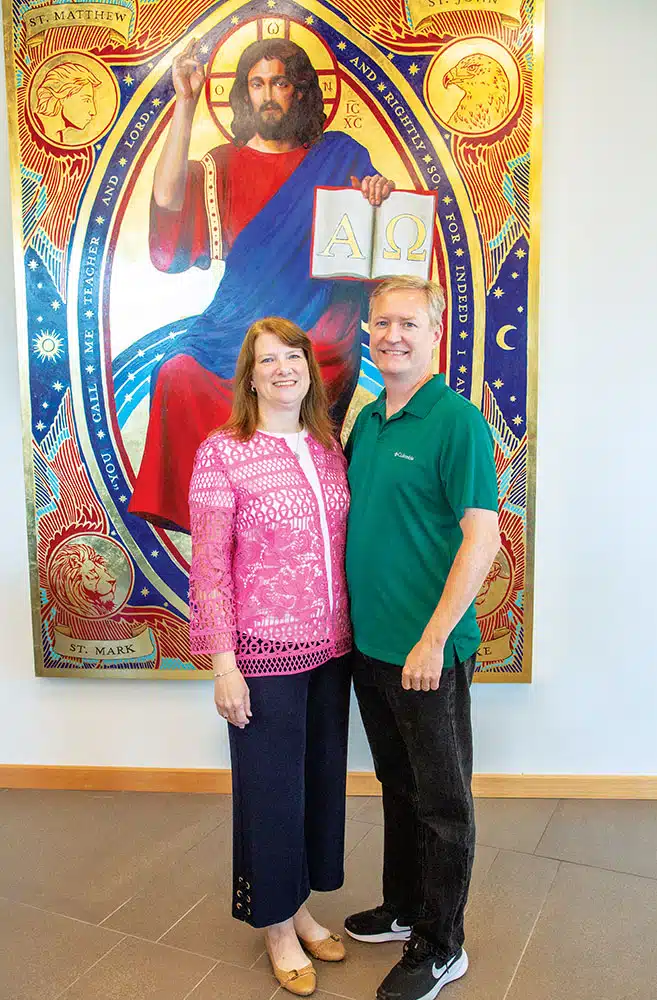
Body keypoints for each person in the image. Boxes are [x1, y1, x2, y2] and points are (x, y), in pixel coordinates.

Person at [129, 36, 394, 532]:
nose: (268, 93)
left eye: (280, 82)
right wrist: (185, 103)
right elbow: (167, 203)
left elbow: (376, 243)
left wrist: (374, 191)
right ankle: (217, 519)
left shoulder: (339, 155)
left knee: (295, 368)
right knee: (177, 372)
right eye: (257, 83)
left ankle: (289, 510)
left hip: (317, 323)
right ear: (245, 93)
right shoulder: (224, 164)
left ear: (300, 91)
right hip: (234, 323)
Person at [343, 275, 501, 1000]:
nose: (391, 336)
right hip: (371, 648)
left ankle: (441, 946)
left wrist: (435, 638)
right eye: (381, 324)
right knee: (397, 787)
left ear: (435, 333)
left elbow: (481, 537)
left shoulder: (456, 422)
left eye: (407, 323)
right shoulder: (369, 418)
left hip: (426, 652)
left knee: (443, 803)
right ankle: (405, 908)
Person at [188, 316, 352, 996]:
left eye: (293, 356)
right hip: (263, 652)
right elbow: (209, 567)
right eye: (267, 360)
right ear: (249, 377)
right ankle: (275, 927)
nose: (283, 368)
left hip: (333, 649)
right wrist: (224, 663)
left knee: (315, 784)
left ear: (309, 369)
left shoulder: (325, 449)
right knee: (269, 793)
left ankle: (301, 904)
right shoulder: (222, 451)